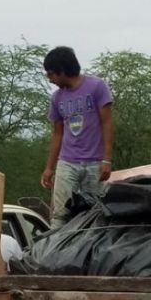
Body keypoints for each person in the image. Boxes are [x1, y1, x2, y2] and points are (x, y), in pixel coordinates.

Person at [40, 46, 114, 228]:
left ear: (62, 71)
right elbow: (57, 133)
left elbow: (107, 123)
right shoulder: (57, 98)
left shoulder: (96, 87)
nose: (50, 80)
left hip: (94, 163)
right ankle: (55, 252)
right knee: (59, 215)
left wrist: (106, 160)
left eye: (51, 75)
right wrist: (49, 168)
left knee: (95, 214)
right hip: (67, 162)